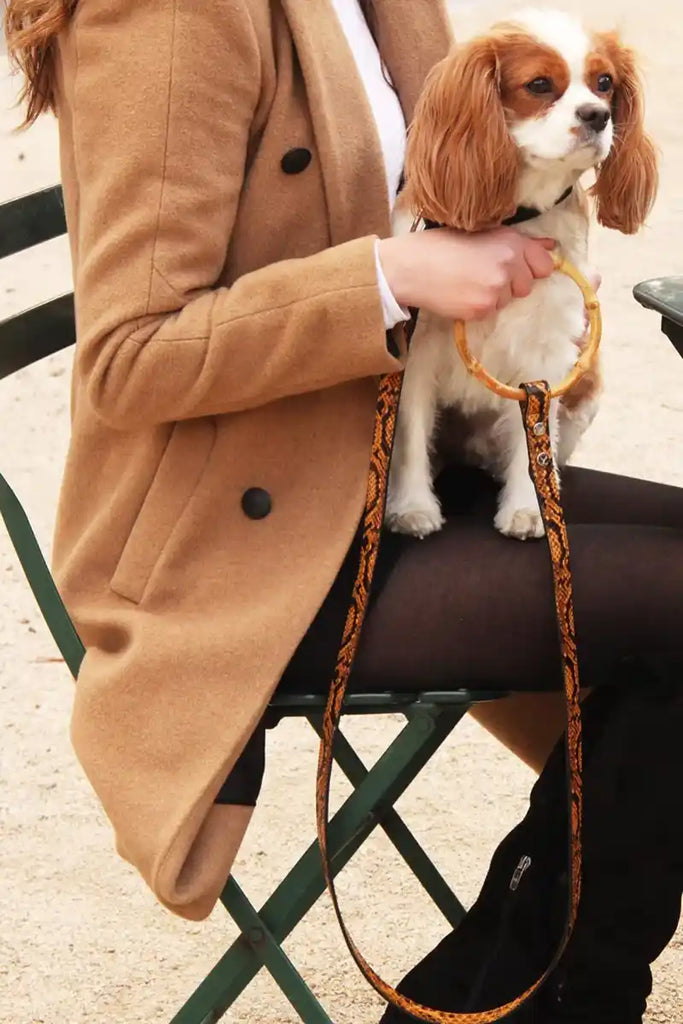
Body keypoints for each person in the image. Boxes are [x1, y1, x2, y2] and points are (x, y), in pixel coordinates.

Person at [6, 0, 682, 1018]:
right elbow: (128, 355)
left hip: (384, 461)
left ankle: (510, 983)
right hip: (236, 545)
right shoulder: (170, 17)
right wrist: (391, 276)